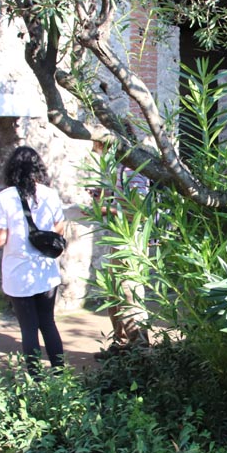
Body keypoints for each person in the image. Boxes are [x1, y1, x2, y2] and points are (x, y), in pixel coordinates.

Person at [0, 146, 66, 375]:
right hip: (46, 270)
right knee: (48, 323)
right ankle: (61, 374)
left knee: (29, 328)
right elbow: (60, 228)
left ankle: (36, 378)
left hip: (18, 272)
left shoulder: (4, 198)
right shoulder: (50, 194)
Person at [90, 141, 151, 355]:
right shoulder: (119, 169)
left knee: (129, 292)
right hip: (119, 238)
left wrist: (105, 209)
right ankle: (122, 344)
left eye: (96, 144)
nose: (93, 150)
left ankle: (140, 348)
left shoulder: (133, 170)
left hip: (130, 240)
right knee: (113, 292)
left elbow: (138, 211)